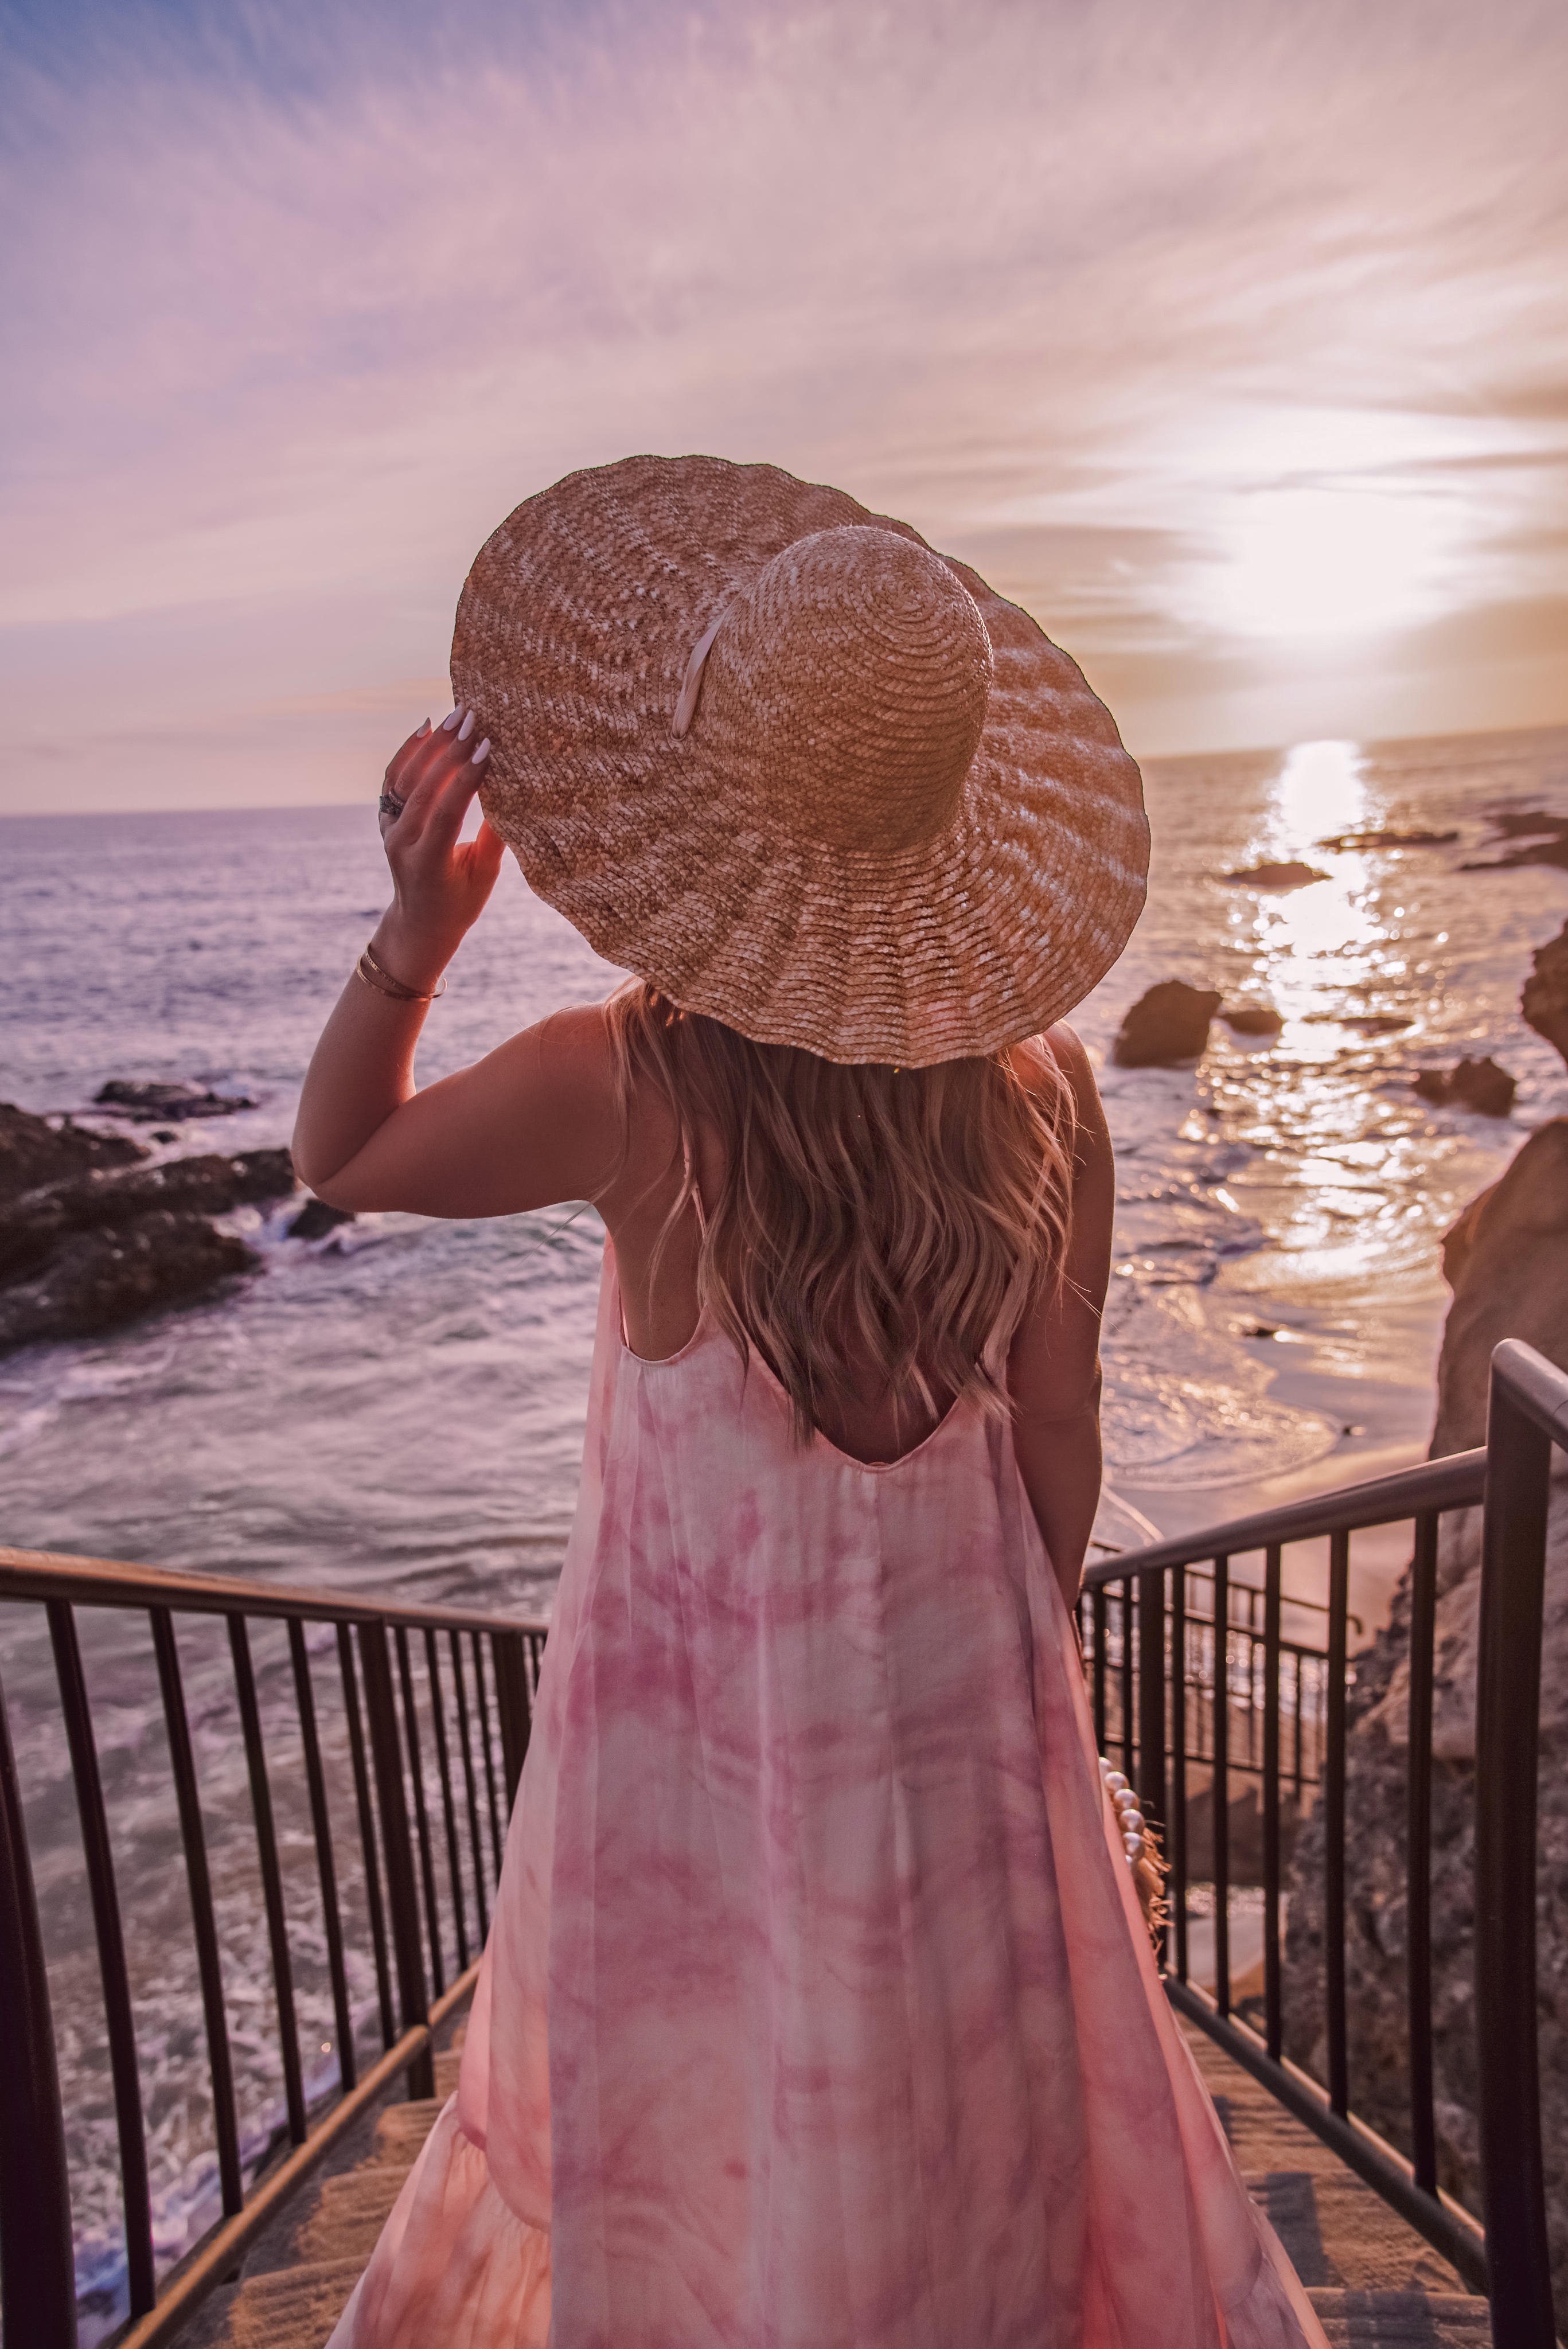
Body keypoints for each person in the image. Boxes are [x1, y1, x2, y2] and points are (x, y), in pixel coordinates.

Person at [297, 456, 1327, 2348]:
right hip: (957, 1769)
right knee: (964, 2170)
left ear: (712, 820)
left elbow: (340, 1153)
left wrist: (418, 936)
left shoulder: (630, 1086)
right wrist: (1018, 1686)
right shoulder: (1046, 1099)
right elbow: (1060, 1444)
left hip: (684, 1792)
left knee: (705, 2182)